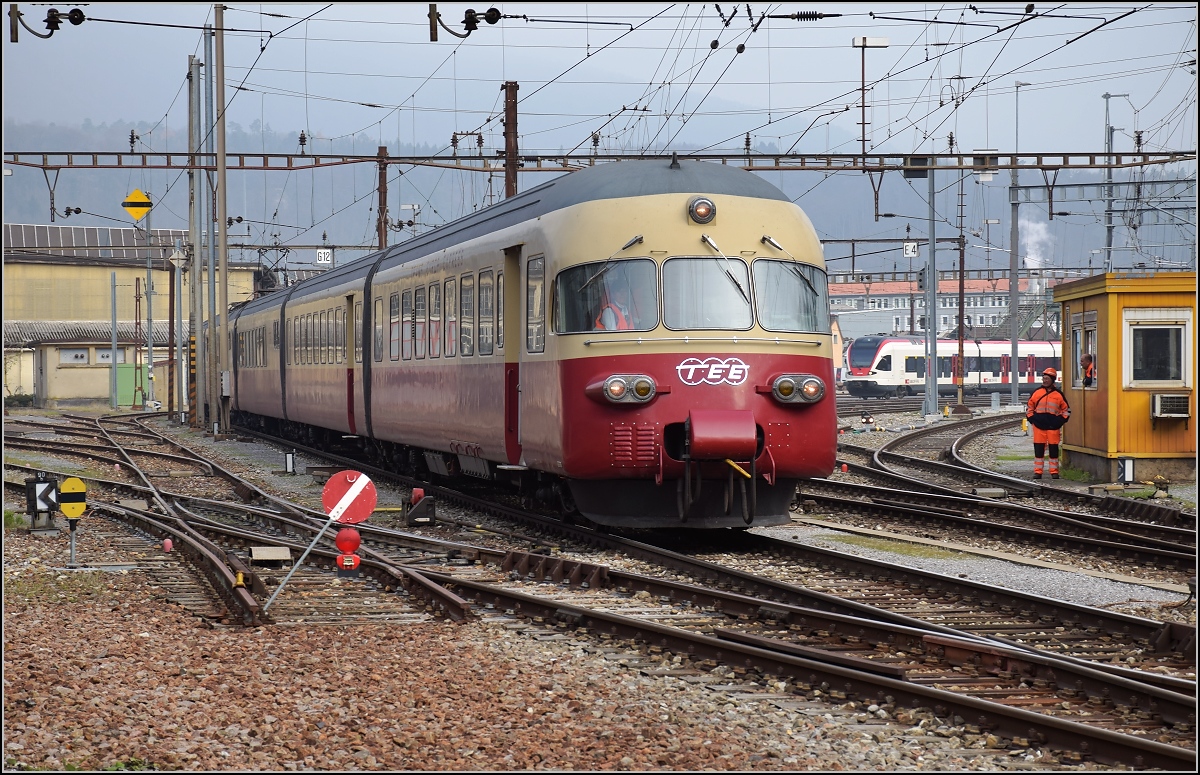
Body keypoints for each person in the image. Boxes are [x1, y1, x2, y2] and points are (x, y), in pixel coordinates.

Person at [1026, 367, 1071, 479]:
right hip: (1039, 426)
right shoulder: (1036, 393)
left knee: (1054, 450)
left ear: (1052, 380)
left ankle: (1054, 472)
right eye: (1044, 378)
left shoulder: (1059, 394)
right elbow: (1029, 408)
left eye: (1047, 379)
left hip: (1053, 427)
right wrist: (1033, 420)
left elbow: (1066, 410)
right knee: (1038, 450)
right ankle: (1038, 472)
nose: (1045, 380)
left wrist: (1059, 422)